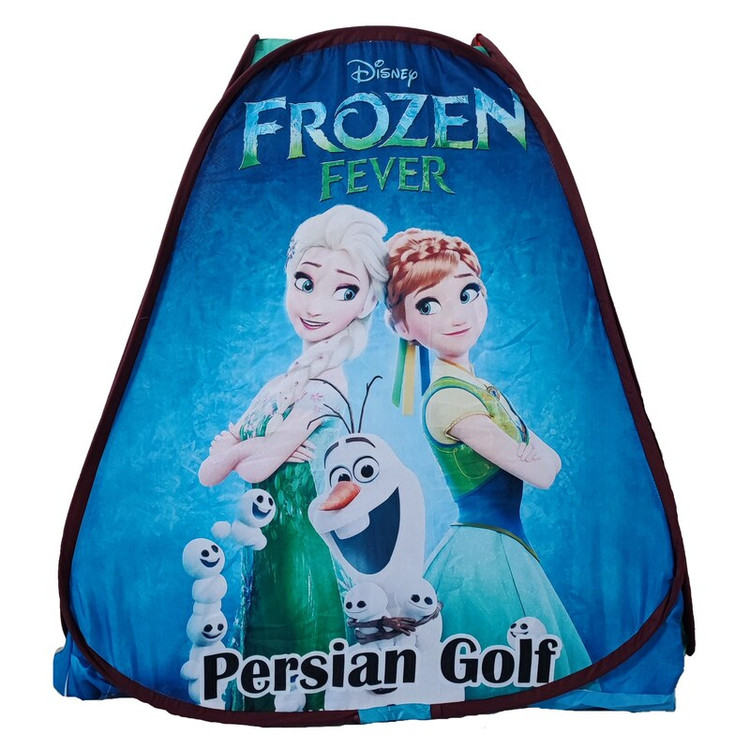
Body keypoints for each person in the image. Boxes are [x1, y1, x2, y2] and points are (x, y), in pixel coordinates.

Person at [385, 228, 591, 699]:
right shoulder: (449, 400)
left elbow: (552, 462)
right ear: (403, 327)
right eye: (428, 305)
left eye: (467, 293)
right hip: (483, 560)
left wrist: (529, 452)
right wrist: (527, 450)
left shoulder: (481, 390)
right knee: (494, 676)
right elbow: (540, 471)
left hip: (505, 547)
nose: (456, 315)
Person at [199, 205, 388, 711]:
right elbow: (210, 472)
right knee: (263, 661)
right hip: (265, 549)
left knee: (304, 658)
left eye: (343, 290)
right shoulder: (277, 385)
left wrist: (242, 449)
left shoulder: (327, 386)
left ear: (367, 301)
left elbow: (253, 468)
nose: (317, 304)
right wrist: (255, 449)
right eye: (306, 282)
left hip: (302, 549)